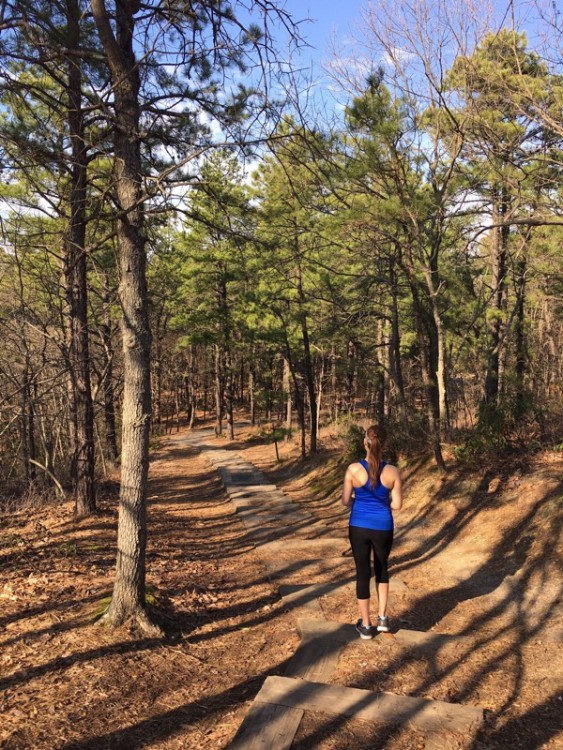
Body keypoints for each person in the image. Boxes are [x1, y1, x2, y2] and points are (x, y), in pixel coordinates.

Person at [341, 424, 403, 639]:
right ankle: (383, 618)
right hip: (383, 526)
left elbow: (345, 501)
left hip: (358, 525)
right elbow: (397, 505)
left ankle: (366, 625)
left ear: (365, 442)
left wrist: (360, 499)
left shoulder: (353, 469)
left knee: (362, 572)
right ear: (384, 444)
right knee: (382, 568)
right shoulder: (393, 471)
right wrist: (382, 501)